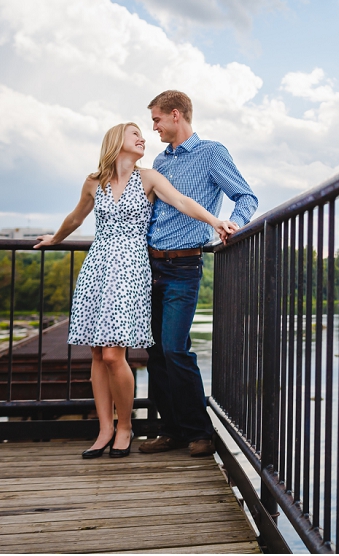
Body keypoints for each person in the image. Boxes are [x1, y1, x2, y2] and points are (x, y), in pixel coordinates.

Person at [35, 122, 237, 459]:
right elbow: (76, 217)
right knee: (98, 354)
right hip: (97, 267)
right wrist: (55, 239)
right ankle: (104, 430)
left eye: (145, 133)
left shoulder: (149, 178)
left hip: (131, 270)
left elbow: (183, 202)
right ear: (117, 141)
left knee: (114, 354)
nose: (144, 138)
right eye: (136, 134)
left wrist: (214, 222)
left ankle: (125, 426)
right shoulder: (93, 182)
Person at [138, 90, 258, 458]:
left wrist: (234, 225)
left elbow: (246, 197)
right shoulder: (161, 159)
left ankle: (200, 432)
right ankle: (171, 430)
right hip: (149, 264)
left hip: (183, 267)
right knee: (156, 352)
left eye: (157, 119)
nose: (153, 127)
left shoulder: (211, 153)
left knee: (176, 348)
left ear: (176, 115)